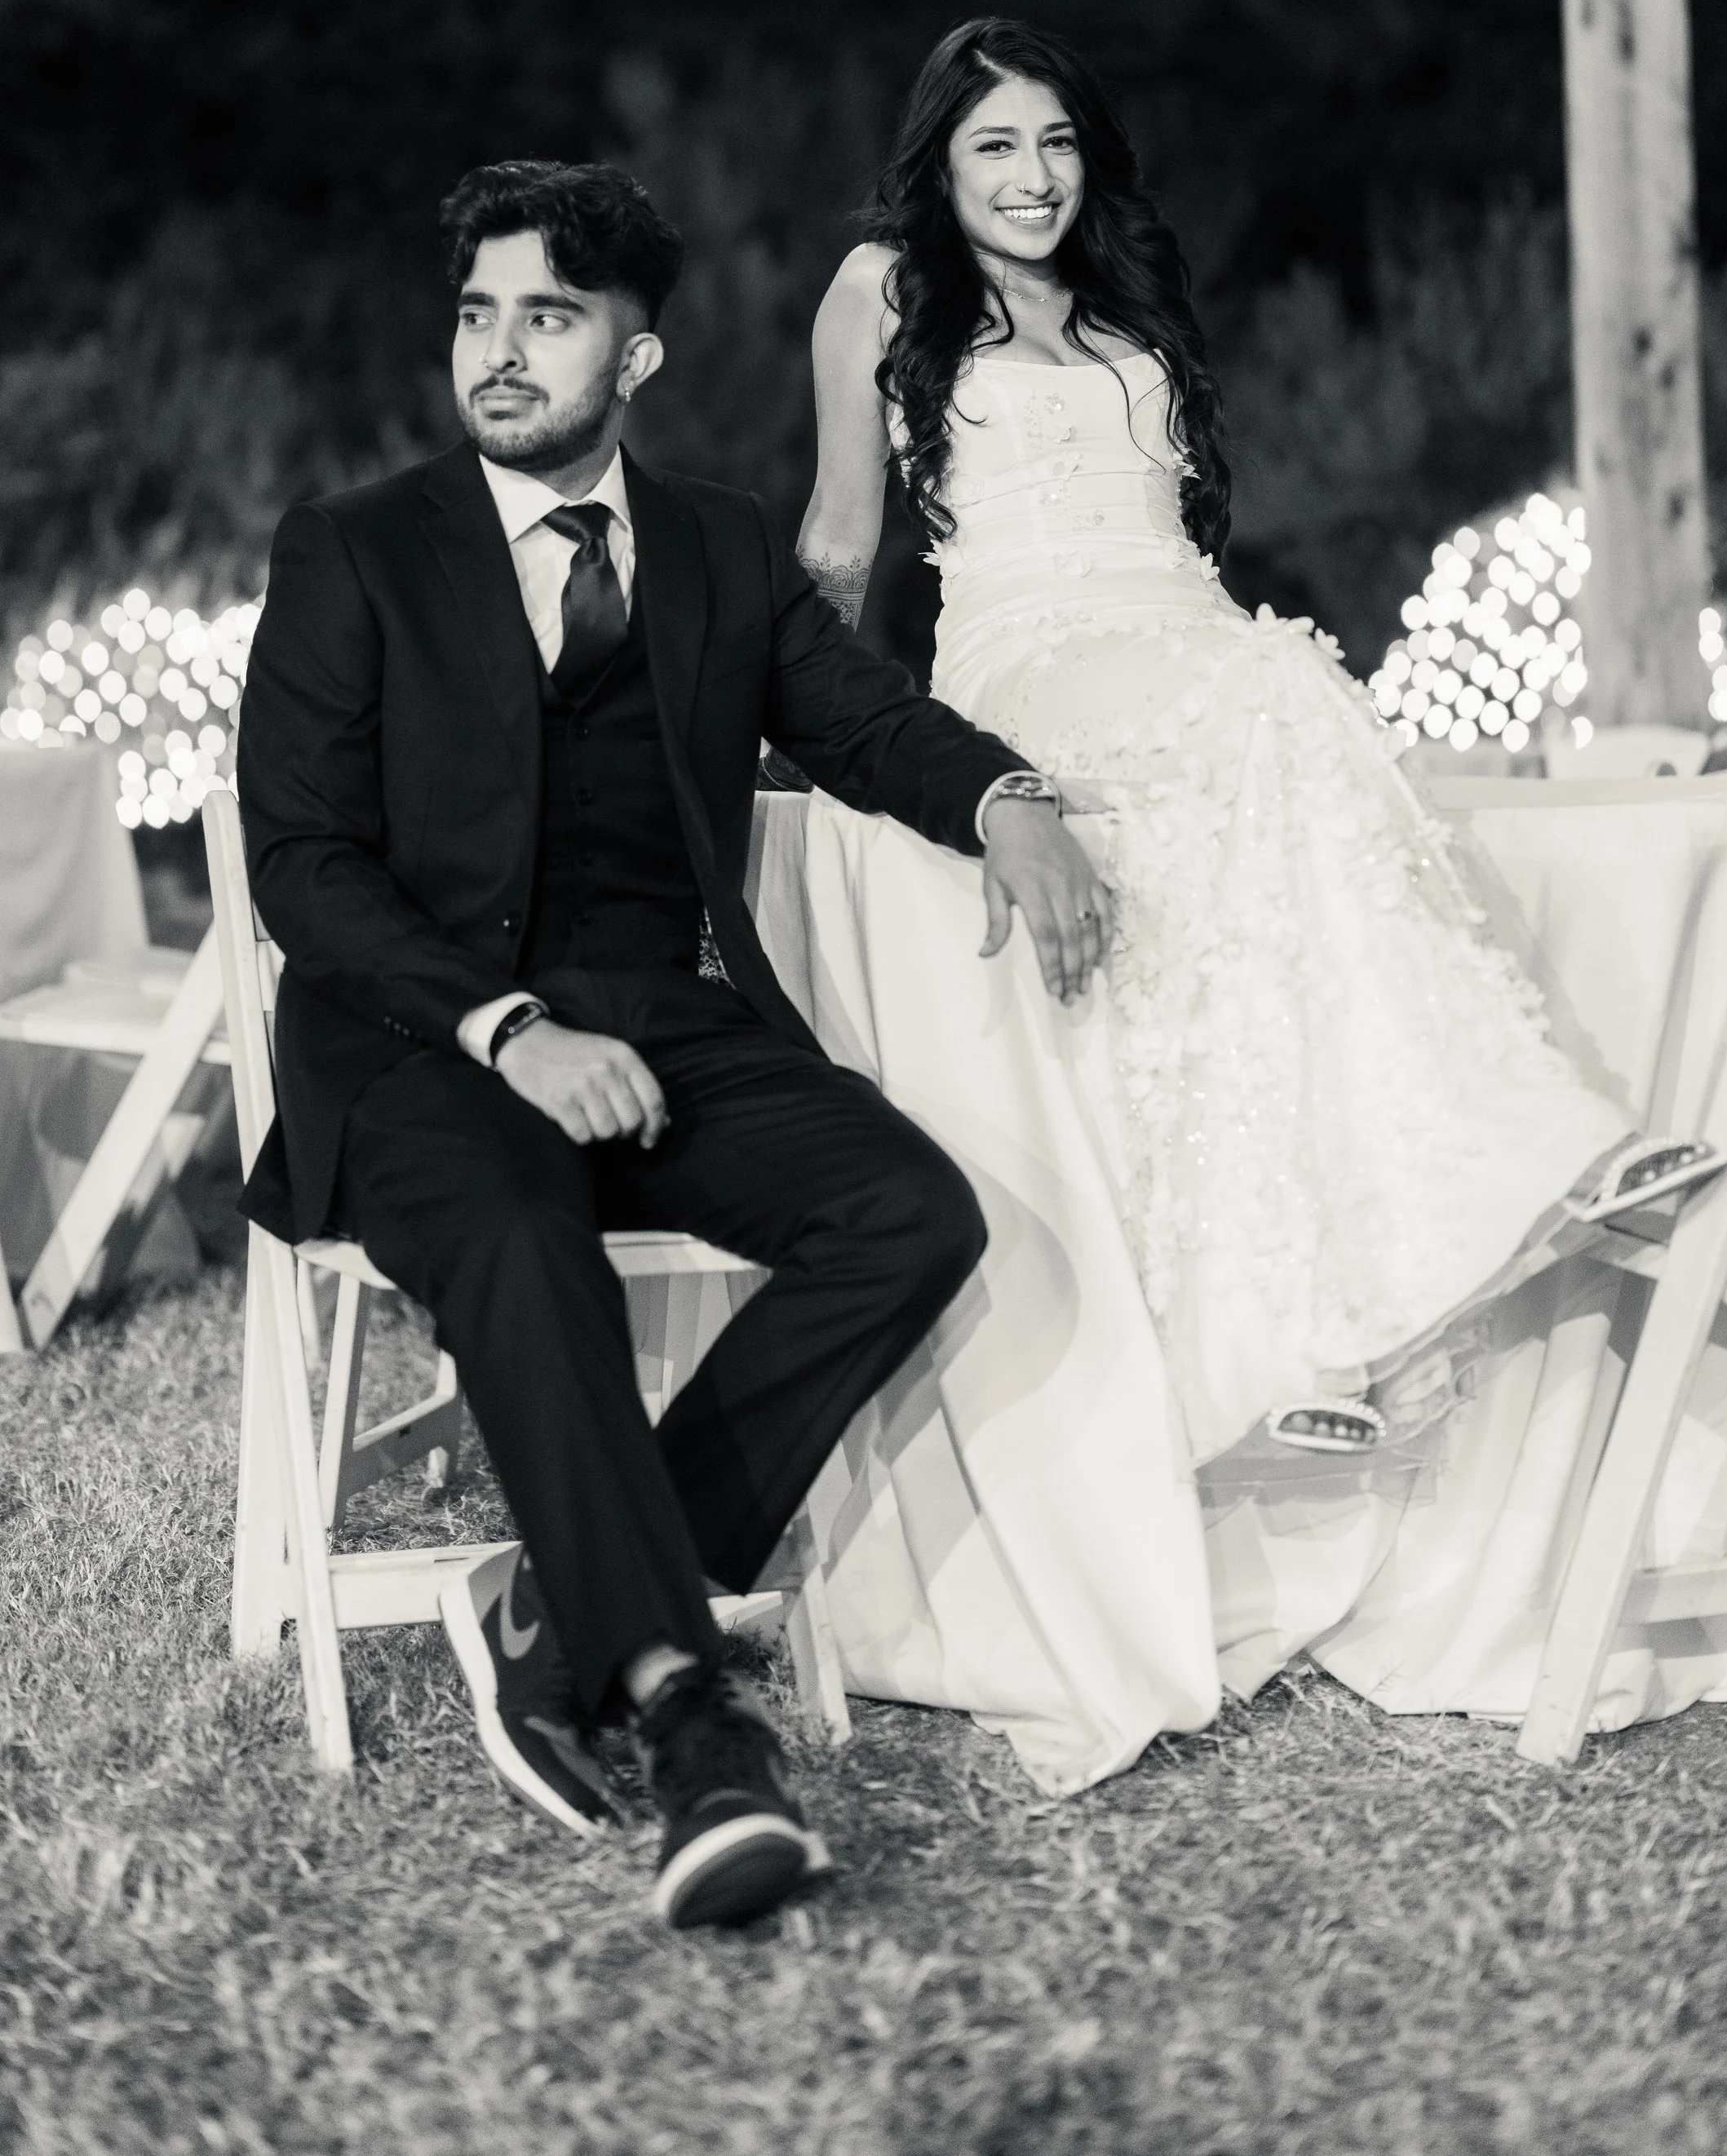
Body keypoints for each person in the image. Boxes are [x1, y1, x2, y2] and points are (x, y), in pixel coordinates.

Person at [782, 17, 1722, 1791]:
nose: (1033, 177)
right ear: (939, 164)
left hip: (1188, 648)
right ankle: (1486, 1169)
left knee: (1282, 752)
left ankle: (1307, 1325)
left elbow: (1182, 545)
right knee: (1285, 694)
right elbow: (841, 538)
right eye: (995, 147)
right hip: (1029, 658)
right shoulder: (879, 294)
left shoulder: (1126, 310)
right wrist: (801, 723)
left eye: (1055, 142)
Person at [234, 156, 1103, 1929]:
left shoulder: (714, 542)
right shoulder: (357, 547)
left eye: (548, 317)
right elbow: (300, 865)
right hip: (418, 1043)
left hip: (666, 1026)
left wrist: (1005, 796)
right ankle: (684, 1712)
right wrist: (503, 1028)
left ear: (633, 358)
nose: (498, 349)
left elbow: (864, 722)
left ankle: (556, 1615)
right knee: (514, 1224)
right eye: (477, 313)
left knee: (908, 1212)